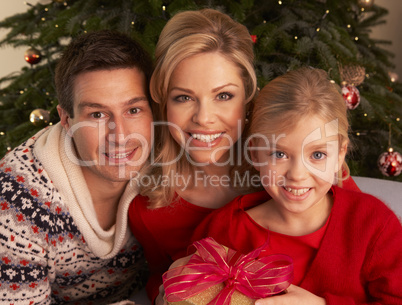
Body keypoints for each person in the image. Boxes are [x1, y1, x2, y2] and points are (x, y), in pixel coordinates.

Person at [128, 8, 361, 303]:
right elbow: (159, 277)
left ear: (248, 98)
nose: (204, 118)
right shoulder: (150, 208)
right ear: (164, 104)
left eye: (223, 95)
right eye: (183, 98)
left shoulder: (299, 172)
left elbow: (371, 271)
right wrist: (163, 295)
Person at [192, 68, 402, 304]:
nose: (297, 175)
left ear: (340, 154)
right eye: (279, 153)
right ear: (255, 154)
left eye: (318, 155)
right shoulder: (225, 231)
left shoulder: (373, 225)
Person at [0, 30, 154, 304]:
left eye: (133, 110)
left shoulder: (170, 158)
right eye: (97, 114)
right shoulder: (16, 206)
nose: (120, 136)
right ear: (66, 119)